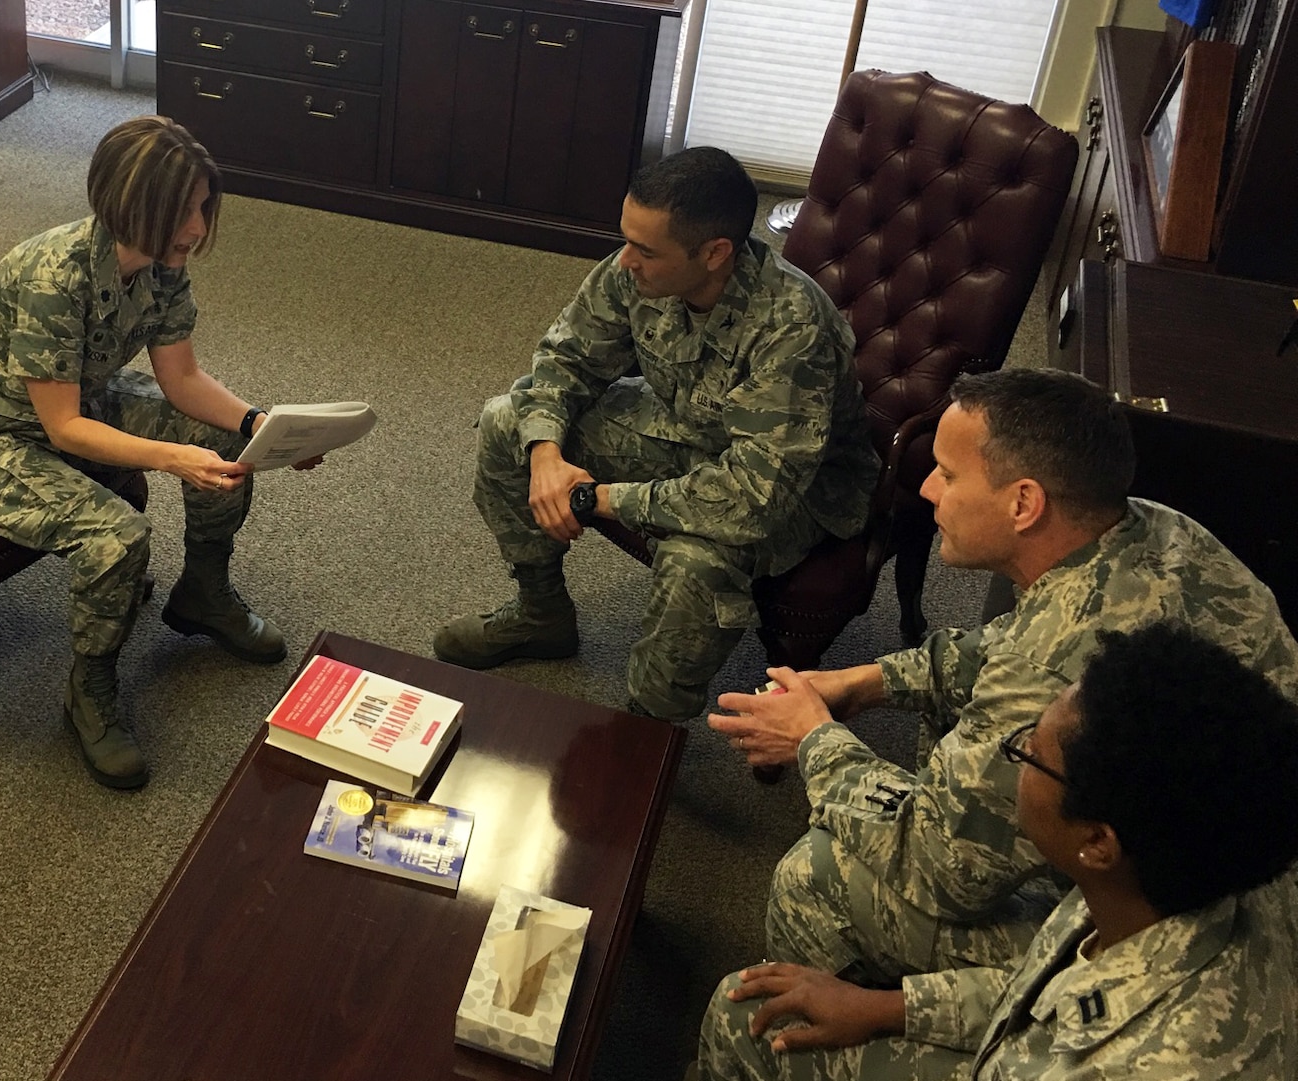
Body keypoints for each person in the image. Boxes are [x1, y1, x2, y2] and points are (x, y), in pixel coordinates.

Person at [708, 367, 1298, 1041]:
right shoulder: (1154, 531)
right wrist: (867, 682)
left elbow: (938, 869)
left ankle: (822, 1039)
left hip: (1185, 952)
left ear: (1024, 503)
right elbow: (1003, 644)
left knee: (817, 875)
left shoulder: (1052, 662)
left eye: (948, 475)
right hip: (1212, 860)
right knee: (950, 727)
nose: (926, 490)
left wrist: (814, 739)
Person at [696, 622, 1298, 1079]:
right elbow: (1047, 990)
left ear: (1096, 841)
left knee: (740, 1018)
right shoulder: (1158, 881)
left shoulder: (1143, 1061)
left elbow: (943, 871)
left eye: (1027, 752)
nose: (1010, 754)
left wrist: (815, 740)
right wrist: (888, 1008)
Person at [0, 116, 318, 790]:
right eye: (185, 210)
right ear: (137, 207)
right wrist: (168, 457)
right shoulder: (54, 274)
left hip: (72, 400)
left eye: (202, 207)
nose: (198, 225)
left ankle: (204, 594)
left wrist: (258, 422)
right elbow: (65, 429)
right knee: (118, 536)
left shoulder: (161, 266)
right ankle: (89, 692)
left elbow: (182, 379)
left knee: (222, 441)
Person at [432, 146, 877, 723]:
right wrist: (545, 455)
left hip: (795, 495)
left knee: (695, 565)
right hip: (689, 425)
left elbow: (752, 498)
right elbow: (564, 362)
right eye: (627, 240)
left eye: (646, 250)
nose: (624, 262)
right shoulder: (634, 269)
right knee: (505, 421)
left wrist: (602, 498)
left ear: (715, 253)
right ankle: (541, 613)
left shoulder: (791, 326)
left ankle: (646, 726)